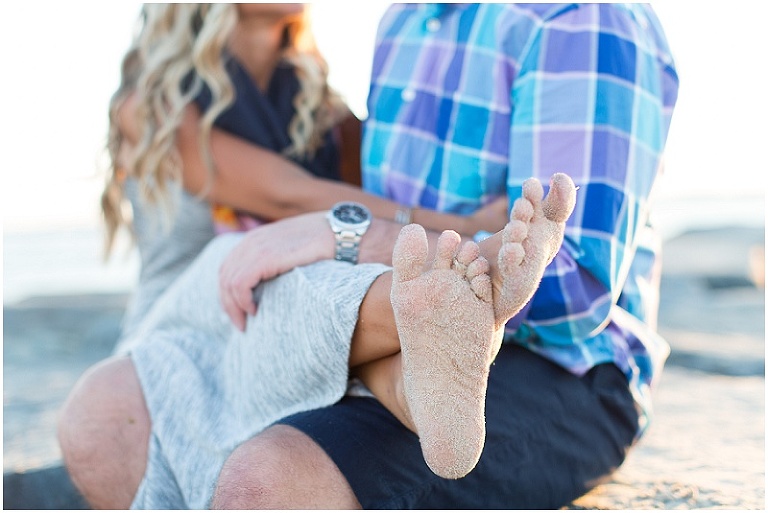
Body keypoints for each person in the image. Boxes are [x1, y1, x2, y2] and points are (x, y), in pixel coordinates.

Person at [60, 3, 678, 510]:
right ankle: (426, 358)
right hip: (203, 312)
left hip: (296, 324)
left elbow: (371, 215)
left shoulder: (319, 105)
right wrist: (465, 230)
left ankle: (422, 378)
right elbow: (294, 196)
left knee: (321, 274)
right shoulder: (153, 105)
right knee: (264, 260)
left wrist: (357, 232)